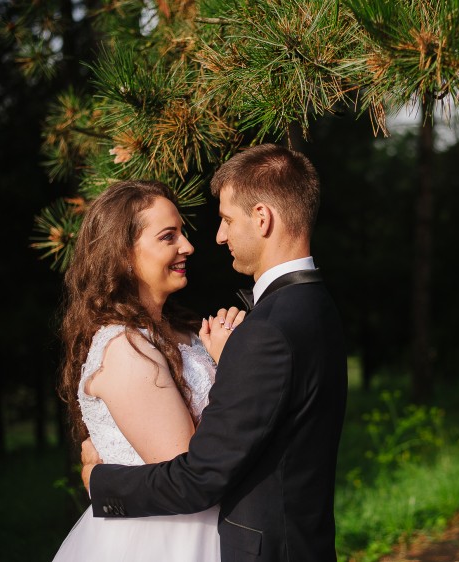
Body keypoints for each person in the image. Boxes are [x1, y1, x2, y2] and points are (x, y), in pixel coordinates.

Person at [82, 143, 348, 562]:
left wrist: (100, 483)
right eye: (170, 236)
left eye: (225, 219)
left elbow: (200, 476)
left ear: (262, 218)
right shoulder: (315, 304)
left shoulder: (268, 330)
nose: (215, 237)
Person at [52, 179, 242, 561]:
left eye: (182, 234)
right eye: (168, 237)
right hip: (164, 538)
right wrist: (231, 368)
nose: (187, 246)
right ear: (124, 253)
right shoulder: (125, 348)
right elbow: (186, 470)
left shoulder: (181, 330)